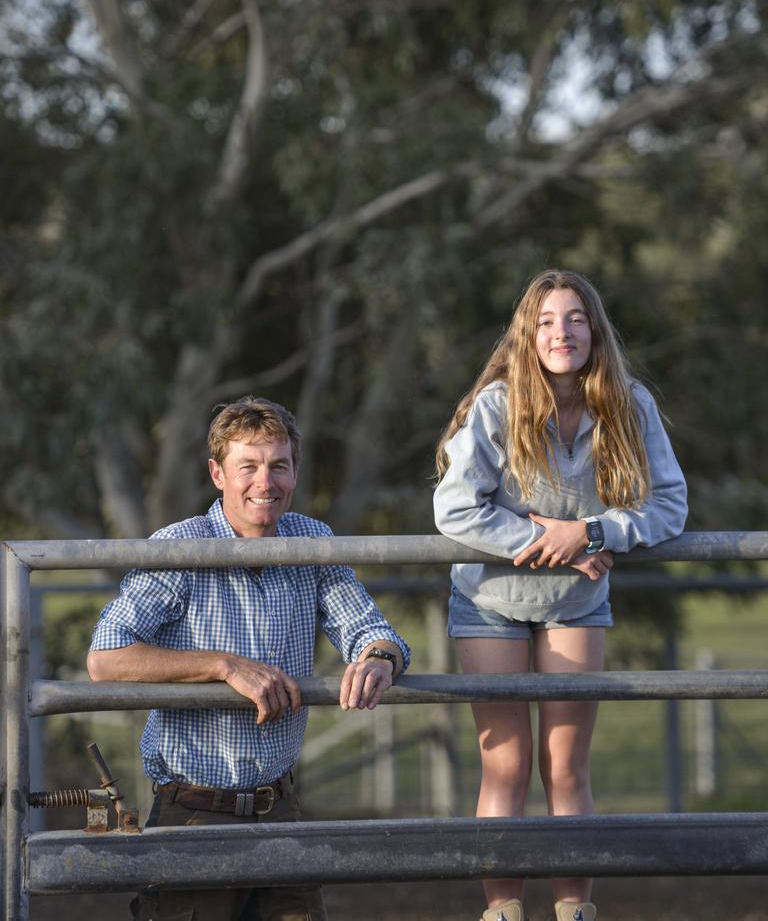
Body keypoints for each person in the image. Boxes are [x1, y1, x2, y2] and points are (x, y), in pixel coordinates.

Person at [88, 395, 410, 921]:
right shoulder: (180, 548)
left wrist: (379, 658)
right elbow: (105, 658)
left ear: (296, 472)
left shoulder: (311, 540)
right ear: (218, 473)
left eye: (278, 466)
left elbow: (372, 629)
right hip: (192, 811)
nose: (266, 481)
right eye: (249, 466)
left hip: (278, 806)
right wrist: (224, 666)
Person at [433, 269, 687, 921]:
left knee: (567, 768)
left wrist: (595, 531)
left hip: (576, 600)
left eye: (574, 318)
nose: (560, 332)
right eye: (546, 320)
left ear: (594, 331)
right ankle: (503, 912)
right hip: (492, 596)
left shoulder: (629, 404)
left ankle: (575, 910)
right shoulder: (497, 405)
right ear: (528, 334)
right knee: (507, 767)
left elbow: (670, 506)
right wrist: (543, 539)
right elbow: (455, 509)